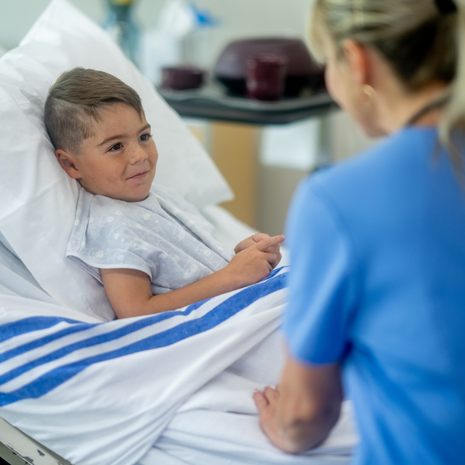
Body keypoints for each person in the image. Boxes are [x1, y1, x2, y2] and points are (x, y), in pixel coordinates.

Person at [253, 0, 465, 463]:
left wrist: (284, 428)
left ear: (357, 61)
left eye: (328, 60)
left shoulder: (337, 200)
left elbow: (308, 413)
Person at [44, 68, 284, 319]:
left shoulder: (159, 198)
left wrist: (240, 257)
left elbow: (194, 272)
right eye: (116, 146)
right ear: (70, 164)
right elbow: (135, 310)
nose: (140, 155)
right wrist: (232, 275)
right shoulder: (111, 225)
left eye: (144, 136)